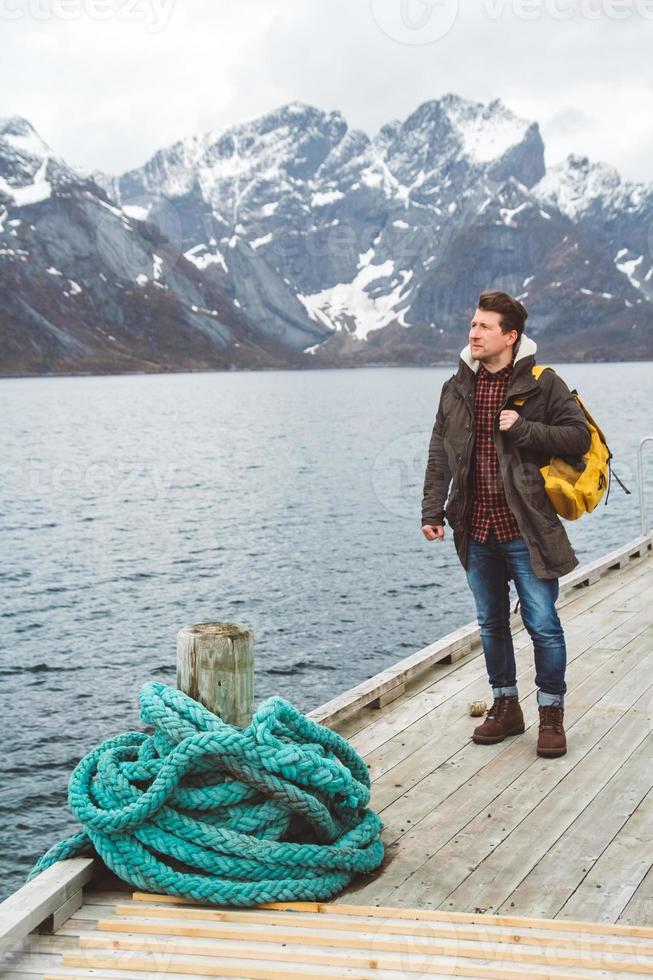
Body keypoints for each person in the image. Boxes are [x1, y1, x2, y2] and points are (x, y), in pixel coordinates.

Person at [420, 290, 591, 758]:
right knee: (491, 625)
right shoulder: (456, 388)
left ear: (510, 336)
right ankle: (505, 707)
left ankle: (551, 715)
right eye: (472, 325)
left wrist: (521, 428)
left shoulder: (543, 383)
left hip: (526, 529)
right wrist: (431, 510)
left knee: (543, 624)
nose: (473, 333)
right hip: (475, 528)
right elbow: (440, 451)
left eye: (484, 326)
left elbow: (577, 438)